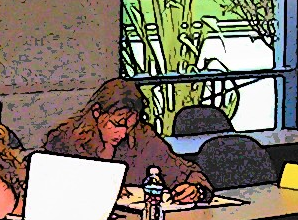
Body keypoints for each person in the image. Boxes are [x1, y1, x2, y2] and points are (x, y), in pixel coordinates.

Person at [43, 79, 212, 203]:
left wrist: (196, 189)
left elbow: (187, 172)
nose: (123, 133)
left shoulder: (143, 138)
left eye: (130, 126)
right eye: (117, 124)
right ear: (97, 112)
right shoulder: (65, 141)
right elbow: (50, 192)